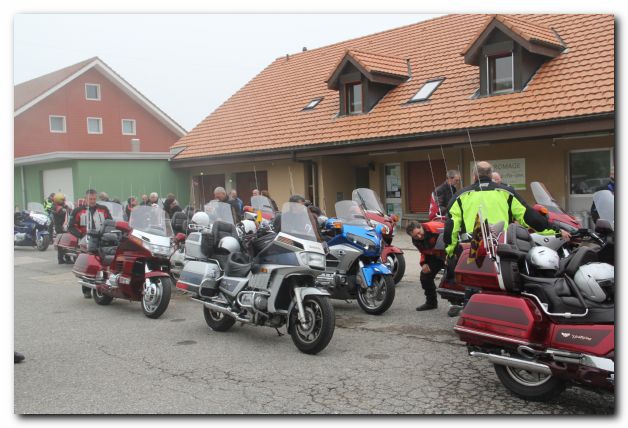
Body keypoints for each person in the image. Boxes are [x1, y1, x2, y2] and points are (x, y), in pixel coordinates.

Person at [444, 161, 569, 315]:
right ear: (491, 175)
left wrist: (450, 251)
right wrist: (556, 231)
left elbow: (451, 227)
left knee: (475, 284)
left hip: (475, 247)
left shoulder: (460, 195)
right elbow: (529, 216)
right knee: (502, 283)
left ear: (474, 176)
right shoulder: (506, 192)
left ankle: (472, 317)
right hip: (501, 247)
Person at [67, 189, 112, 296]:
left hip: (102, 240)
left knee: (103, 263)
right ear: (85, 199)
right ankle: (86, 289)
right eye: (90, 199)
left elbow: (110, 222)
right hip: (85, 241)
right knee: (88, 264)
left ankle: (103, 286)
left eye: (94, 199)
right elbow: (71, 227)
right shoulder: (77, 211)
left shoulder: (103, 209)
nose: (92, 201)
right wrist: (82, 236)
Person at [406, 221, 446, 311]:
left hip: (450, 252)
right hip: (435, 255)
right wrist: (424, 263)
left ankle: (458, 305)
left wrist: (449, 257)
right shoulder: (415, 240)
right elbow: (423, 252)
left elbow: (453, 238)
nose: (419, 237)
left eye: (419, 233)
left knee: (452, 279)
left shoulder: (436, 229)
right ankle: (431, 303)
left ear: (421, 227)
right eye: (415, 236)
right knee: (425, 276)